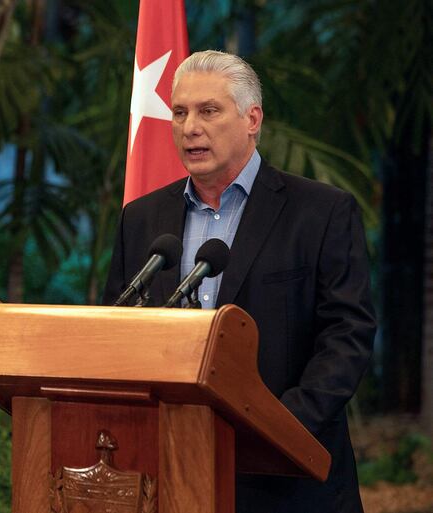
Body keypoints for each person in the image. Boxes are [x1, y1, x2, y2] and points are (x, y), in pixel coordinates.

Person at [103, 50, 376, 512]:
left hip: (287, 479)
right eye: (180, 112)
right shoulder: (142, 218)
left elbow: (347, 336)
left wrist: (278, 429)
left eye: (209, 111)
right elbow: (116, 333)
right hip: (167, 470)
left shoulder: (322, 212)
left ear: (252, 119)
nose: (190, 127)